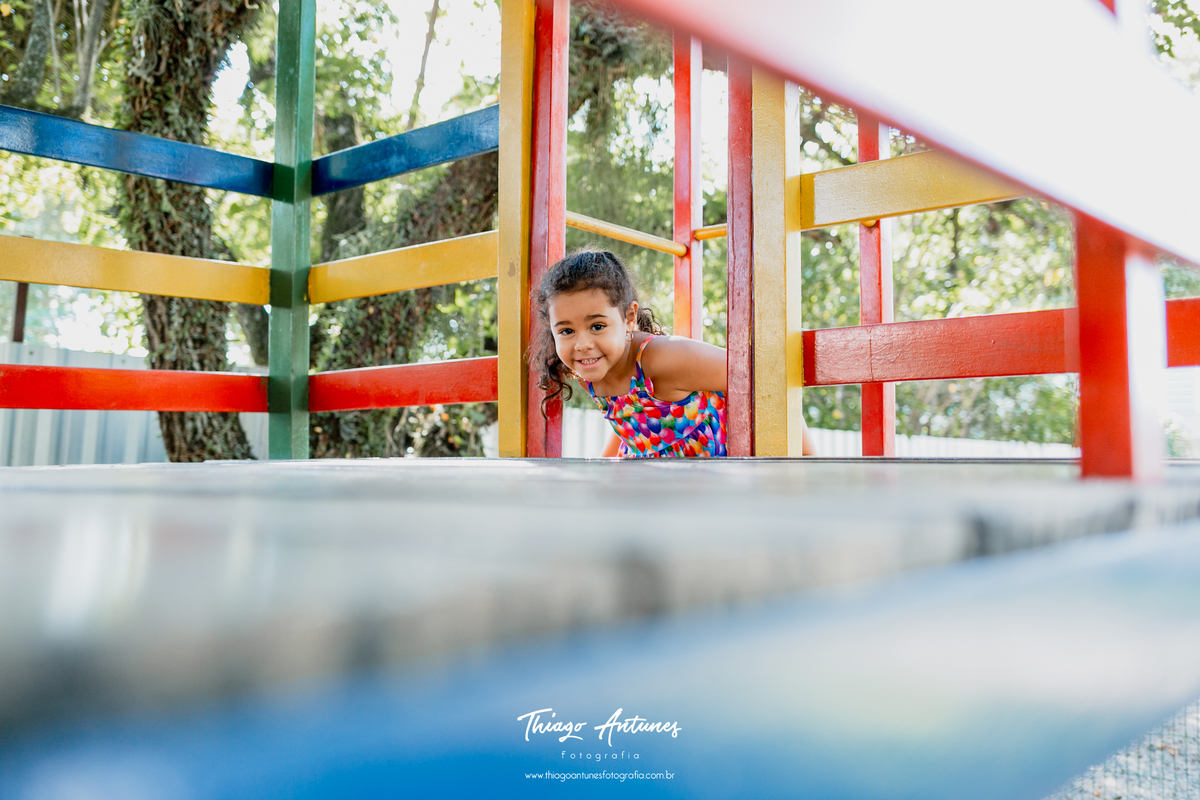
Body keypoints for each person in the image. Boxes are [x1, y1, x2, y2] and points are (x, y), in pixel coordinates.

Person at [530, 249, 816, 458]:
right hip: (657, 480)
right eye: (566, 331)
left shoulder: (665, 359)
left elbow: (768, 382)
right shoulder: (586, 368)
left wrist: (808, 462)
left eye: (597, 326)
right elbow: (632, 422)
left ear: (629, 318)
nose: (582, 344)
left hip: (719, 472)